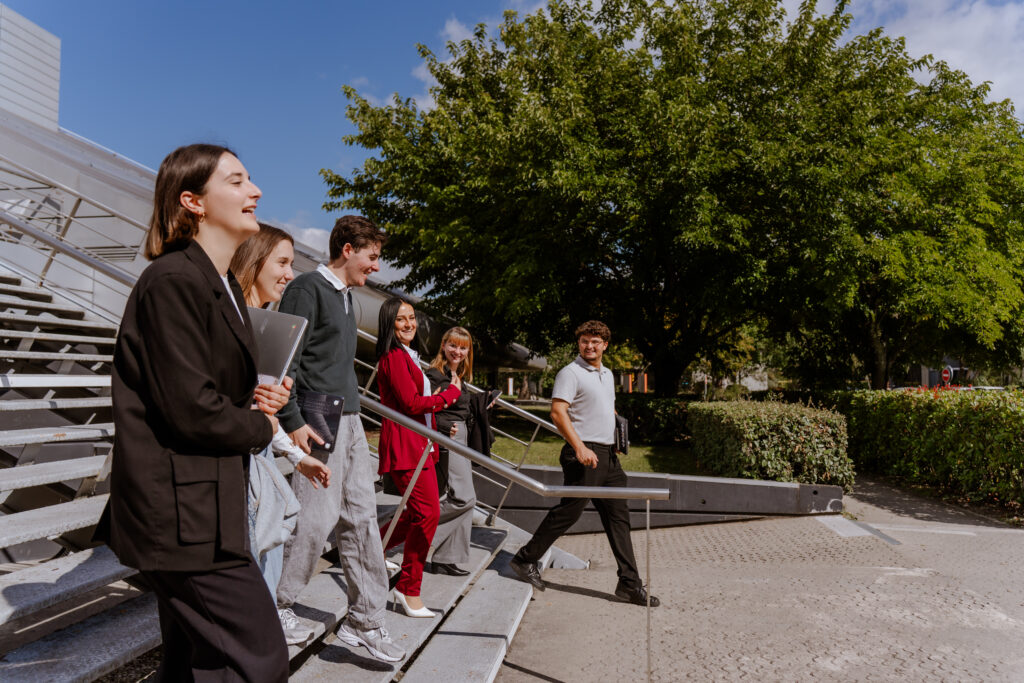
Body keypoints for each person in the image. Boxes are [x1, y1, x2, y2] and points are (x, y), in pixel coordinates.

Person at [94, 143, 291, 681]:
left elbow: (200, 389)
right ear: (193, 201)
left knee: (191, 666)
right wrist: (259, 425)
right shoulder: (174, 280)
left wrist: (254, 400)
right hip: (181, 518)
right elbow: (191, 409)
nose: (254, 191)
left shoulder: (221, 283)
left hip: (205, 507)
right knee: (258, 661)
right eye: (236, 181)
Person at [273, 215, 406, 662]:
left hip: (349, 421)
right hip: (317, 417)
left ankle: (365, 621)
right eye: (372, 256)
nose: (376, 266)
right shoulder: (306, 289)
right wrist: (292, 421)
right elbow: (285, 360)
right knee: (314, 520)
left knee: (363, 521)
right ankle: (277, 605)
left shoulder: (347, 298)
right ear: (347, 249)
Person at [509, 321, 660, 607]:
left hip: (608, 456)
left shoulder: (607, 374)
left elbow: (606, 406)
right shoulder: (570, 373)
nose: (589, 346)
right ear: (579, 343)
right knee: (569, 512)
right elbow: (557, 412)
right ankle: (524, 559)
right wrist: (579, 446)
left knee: (619, 519)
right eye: (584, 341)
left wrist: (616, 429)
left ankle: (629, 584)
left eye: (595, 342)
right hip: (584, 454)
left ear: (605, 345)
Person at [229, 224, 332, 646]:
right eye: (283, 262)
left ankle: (266, 627)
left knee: (267, 558)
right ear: (253, 261)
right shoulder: (234, 324)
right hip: (235, 468)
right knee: (255, 565)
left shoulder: (267, 324)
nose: (290, 274)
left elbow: (262, 411)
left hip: (258, 459)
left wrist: (294, 454)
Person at [375, 298, 462, 617]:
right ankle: (408, 588)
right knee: (428, 514)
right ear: (390, 323)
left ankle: (374, 548)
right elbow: (411, 404)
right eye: (401, 319)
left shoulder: (407, 355)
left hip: (419, 445)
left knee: (419, 513)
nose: (409, 324)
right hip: (405, 447)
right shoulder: (394, 357)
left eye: (411, 317)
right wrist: (448, 396)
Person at [424, 326, 480, 577]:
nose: (458, 351)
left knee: (462, 498)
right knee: (464, 498)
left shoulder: (457, 375)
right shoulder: (435, 375)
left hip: (460, 436)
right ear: (443, 345)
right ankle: (411, 533)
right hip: (449, 436)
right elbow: (430, 408)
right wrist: (447, 428)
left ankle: (447, 558)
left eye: (463, 347)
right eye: (453, 345)